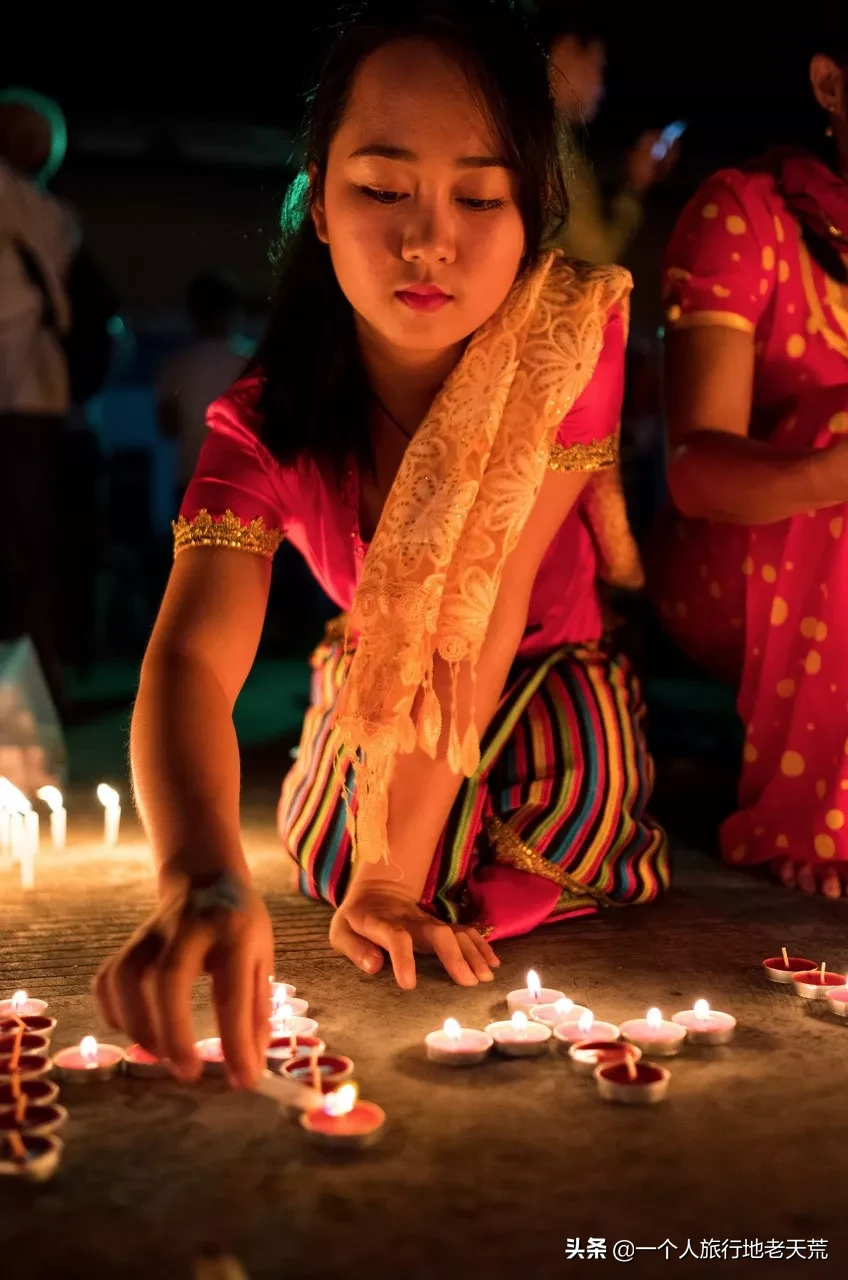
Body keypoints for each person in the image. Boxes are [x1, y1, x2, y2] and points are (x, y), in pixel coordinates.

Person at [95, 0, 667, 1089]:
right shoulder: (262, 425)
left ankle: (446, 879)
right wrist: (202, 876)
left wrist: (394, 877)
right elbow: (188, 661)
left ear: (533, 210)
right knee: (320, 847)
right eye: (379, 186)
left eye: (479, 196)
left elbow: (486, 598)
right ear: (314, 198)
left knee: (570, 790)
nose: (427, 239)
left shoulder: (568, 338)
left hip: (539, 663)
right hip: (382, 676)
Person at [649, 30, 848, 898]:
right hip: (733, 564)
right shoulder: (748, 214)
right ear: (832, 85)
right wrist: (831, 470)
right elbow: (694, 472)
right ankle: (809, 819)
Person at [0, 88, 79, 714]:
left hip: (29, 400)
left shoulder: (44, 211)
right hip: (33, 401)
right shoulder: (45, 213)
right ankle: (39, 676)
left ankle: (35, 676)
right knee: (33, 547)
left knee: (29, 547)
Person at [538, 7, 679, 265]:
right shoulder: (549, 142)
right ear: (566, 52)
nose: (601, 87)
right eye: (598, 66)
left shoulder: (536, 130)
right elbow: (594, 257)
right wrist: (634, 187)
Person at [157, 272, 253, 501]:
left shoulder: (176, 365)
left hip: (192, 480)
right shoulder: (253, 362)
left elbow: (167, 427)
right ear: (234, 312)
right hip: (244, 484)